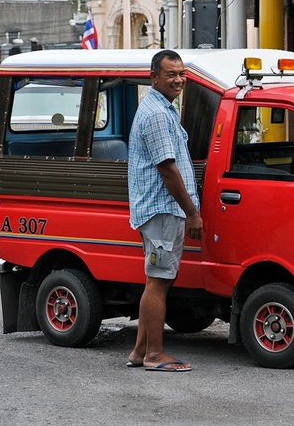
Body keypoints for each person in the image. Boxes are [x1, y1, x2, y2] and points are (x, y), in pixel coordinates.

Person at [126, 50, 203, 372]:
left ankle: (140, 351)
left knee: (155, 280)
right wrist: (192, 213)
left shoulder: (162, 108)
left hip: (162, 209)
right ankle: (155, 355)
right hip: (163, 210)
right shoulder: (157, 114)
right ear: (154, 76)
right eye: (171, 74)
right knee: (158, 281)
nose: (178, 80)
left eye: (181, 74)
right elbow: (168, 169)